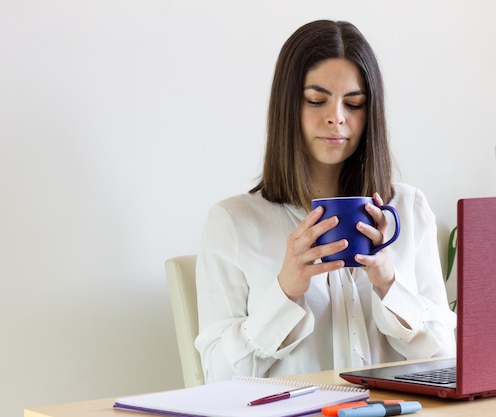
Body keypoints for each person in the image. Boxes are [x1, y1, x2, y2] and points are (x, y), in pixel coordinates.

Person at [194, 19, 456, 383]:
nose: (336, 117)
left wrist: (388, 283)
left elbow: (446, 358)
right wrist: (284, 292)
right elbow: (217, 377)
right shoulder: (233, 222)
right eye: (317, 100)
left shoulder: (408, 209)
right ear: (288, 106)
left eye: (354, 103)